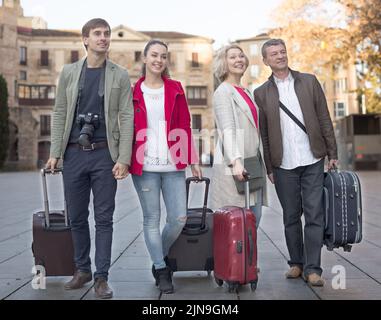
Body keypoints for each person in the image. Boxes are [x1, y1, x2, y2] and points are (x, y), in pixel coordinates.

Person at [45, 18, 134, 299]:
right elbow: (59, 112)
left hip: (104, 154)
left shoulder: (119, 74)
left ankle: (101, 278)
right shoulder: (70, 72)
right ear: (85, 39)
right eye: (97, 34)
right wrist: (55, 152)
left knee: (104, 218)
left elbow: (127, 116)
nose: (103, 38)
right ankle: (82, 269)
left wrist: (124, 157)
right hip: (73, 153)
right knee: (77, 217)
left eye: (107, 34)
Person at [254, 39, 338, 286]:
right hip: (283, 164)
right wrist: (270, 167)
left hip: (312, 158)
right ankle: (296, 263)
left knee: (314, 215)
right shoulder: (261, 93)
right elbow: (265, 135)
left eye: (282, 52)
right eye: (274, 54)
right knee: (291, 216)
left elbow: (324, 118)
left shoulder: (309, 81)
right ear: (266, 61)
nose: (280, 56)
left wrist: (332, 153)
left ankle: (313, 269)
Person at [129, 39, 202, 294]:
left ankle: (158, 253)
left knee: (178, 218)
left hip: (173, 164)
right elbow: (125, 127)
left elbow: (184, 124)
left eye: (163, 56)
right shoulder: (133, 91)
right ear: (145, 58)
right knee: (151, 219)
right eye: (154, 55)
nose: (158, 60)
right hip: (144, 165)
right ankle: (161, 268)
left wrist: (193, 158)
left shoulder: (175, 88)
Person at [209, 44, 267, 229]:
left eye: (241, 56)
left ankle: (247, 258)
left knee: (253, 218)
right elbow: (227, 129)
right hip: (236, 164)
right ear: (223, 63)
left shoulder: (245, 91)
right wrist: (235, 162)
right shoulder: (223, 92)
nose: (239, 60)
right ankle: (235, 258)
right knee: (237, 222)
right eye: (232, 57)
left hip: (252, 162)